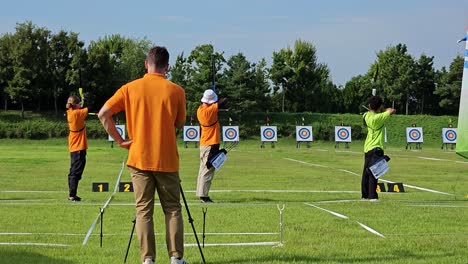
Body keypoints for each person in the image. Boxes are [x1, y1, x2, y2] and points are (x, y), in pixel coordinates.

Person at [98, 46, 188, 264]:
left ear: (146, 64)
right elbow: (180, 123)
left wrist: (120, 140)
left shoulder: (129, 88)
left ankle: (148, 259)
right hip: (166, 159)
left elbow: (103, 114)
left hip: (138, 159)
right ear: (167, 67)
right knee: (173, 209)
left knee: (143, 211)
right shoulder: (176, 90)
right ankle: (176, 258)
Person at [361, 96, 396, 201]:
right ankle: (372, 197)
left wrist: (378, 109)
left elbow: (377, 112)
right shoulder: (379, 117)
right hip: (376, 148)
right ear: (379, 106)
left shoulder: (366, 115)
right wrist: (383, 110)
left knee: (366, 173)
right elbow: (392, 110)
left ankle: (365, 195)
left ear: (369, 106)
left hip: (367, 148)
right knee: (374, 173)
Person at [196, 89, 226, 203]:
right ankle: (203, 195)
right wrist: (218, 100)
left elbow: (217, 104)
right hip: (211, 143)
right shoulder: (210, 111)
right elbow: (223, 102)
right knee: (208, 170)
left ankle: (200, 193)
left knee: (203, 169)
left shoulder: (200, 109)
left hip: (205, 143)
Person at [66, 95, 88, 202]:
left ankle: (72, 193)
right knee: (75, 172)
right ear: (76, 105)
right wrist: (85, 100)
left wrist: (81, 101)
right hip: (78, 147)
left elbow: (81, 108)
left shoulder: (71, 112)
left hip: (74, 147)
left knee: (74, 170)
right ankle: (72, 194)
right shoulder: (77, 113)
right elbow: (88, 108)